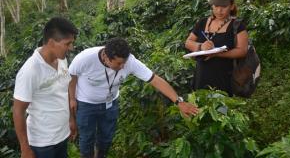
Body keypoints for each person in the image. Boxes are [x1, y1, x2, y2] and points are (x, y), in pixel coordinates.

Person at [68, 37, 199, 158]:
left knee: (106, 138)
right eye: (119, 63)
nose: (123, 67)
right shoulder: (85, 58)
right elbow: (72, 76)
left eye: (124, 63)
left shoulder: (129, 61)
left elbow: (155, 80)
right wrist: (72, 99)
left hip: (110, 104)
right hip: (86, 104)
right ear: (106, 58)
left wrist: (178, 101)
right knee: (87, 138)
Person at [13, 17, 78, 158]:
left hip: (62, 135)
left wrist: (71, 119)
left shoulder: (62, 60)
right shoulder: (30, 70)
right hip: (42, 143)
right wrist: (25, 149)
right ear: (51, 42)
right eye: (68, 43)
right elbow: (18, 111)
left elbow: (65, 90)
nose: (71, 48)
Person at [185, 0, 248, 96]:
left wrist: (217, 54)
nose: (219, 10)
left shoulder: (237, 26)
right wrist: (201, 47)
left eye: (224, 6)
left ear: (232, 6)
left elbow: (242, 51)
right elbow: (188, 42)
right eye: (216, 6)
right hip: (201, 78)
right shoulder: (203, 22)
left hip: (223, 80)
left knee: (221, 110)